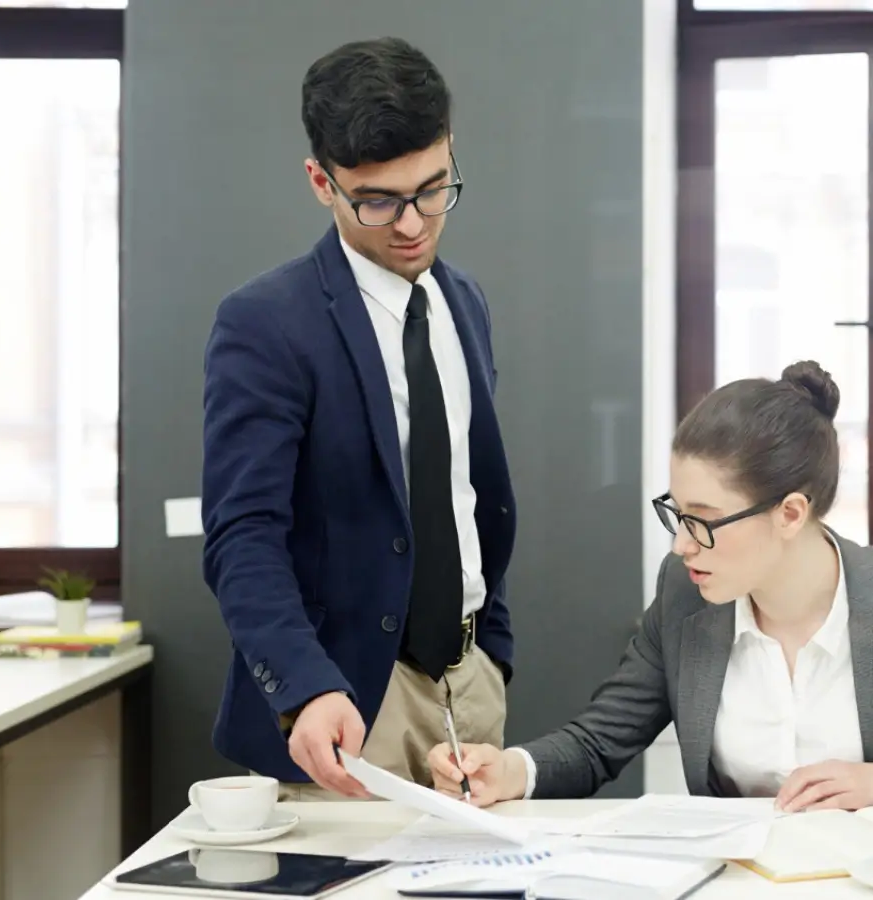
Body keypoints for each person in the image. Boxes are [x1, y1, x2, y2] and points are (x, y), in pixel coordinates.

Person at [427, 361, 873, 811]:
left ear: (791, 513)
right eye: (676, 513)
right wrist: (511, 769)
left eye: (703, 521)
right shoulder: (686, 595)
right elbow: (597, 743)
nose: (680, 545)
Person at [201, 36, 516, 800]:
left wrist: (493, 652)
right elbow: (243, 534)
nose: (412, 224)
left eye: (433, 188)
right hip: (340, 707)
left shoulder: (463, 301)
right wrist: (304, 687)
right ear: (321, 181)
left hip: (470, 689)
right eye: (377, 200)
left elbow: (465, 496)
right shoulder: (265, 322)